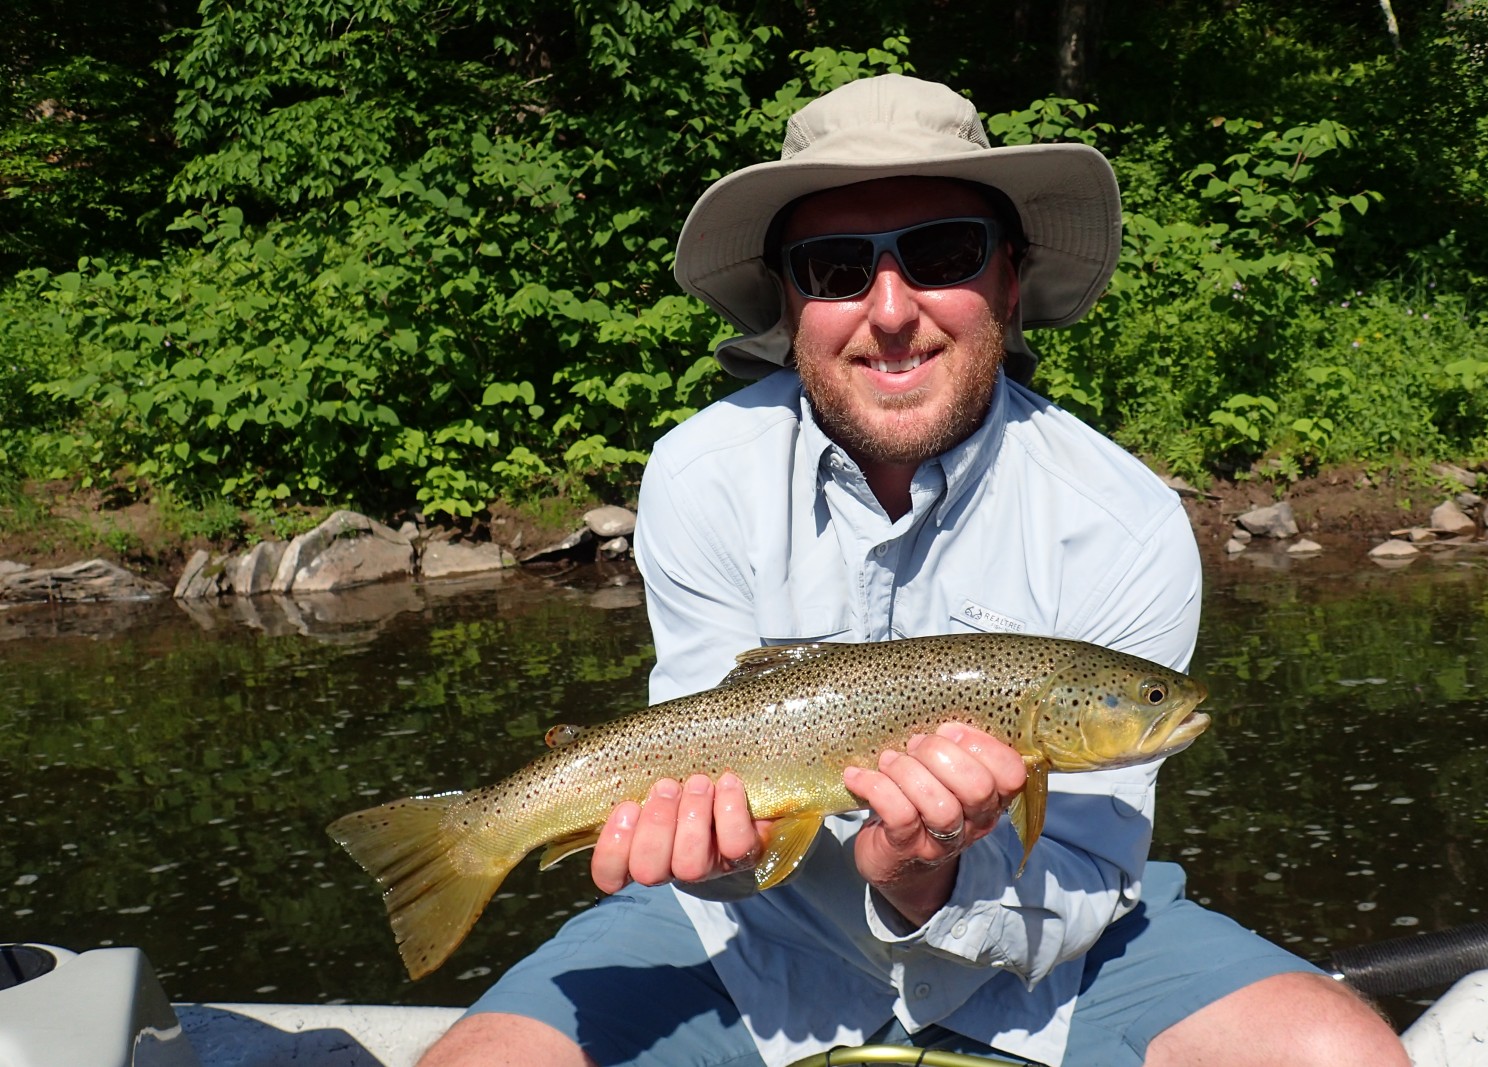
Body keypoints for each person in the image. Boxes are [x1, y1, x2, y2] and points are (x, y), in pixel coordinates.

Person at [419, 74, 1410, 1067]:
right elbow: (710, 805)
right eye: (836, 265)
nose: (890, 309)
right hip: (742, 934)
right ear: (790, 302)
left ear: (1009, 281)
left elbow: (1081, 865)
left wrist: (921, 880)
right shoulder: (699, 470)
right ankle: (474, 835)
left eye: (941, 253)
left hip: (1045, 951)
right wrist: (721, 859)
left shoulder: (1128, 521)